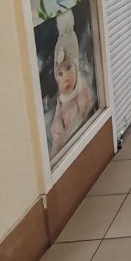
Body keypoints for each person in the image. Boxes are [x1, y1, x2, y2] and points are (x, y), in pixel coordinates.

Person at [50, 10, 93, 156]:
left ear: (76, 67)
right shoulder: (62, 103)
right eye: (60, 74)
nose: (66, 77)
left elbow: (88, 105)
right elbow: (57, 139)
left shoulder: (81, 89)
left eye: (69, 68)